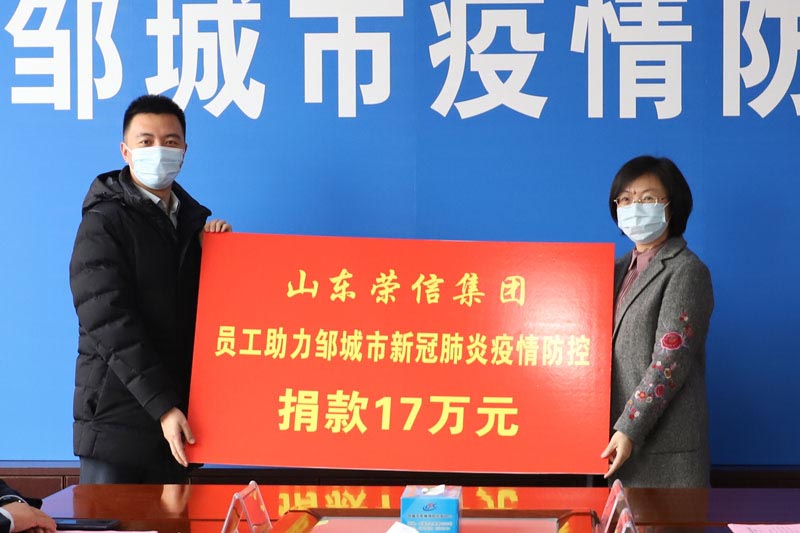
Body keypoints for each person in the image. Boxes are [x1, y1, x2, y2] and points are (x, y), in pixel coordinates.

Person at [69, 94, 232, 483]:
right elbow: (109, 323)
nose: (159, 150)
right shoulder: (103, 223)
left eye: (170, 141)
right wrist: (163, 406)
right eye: (146, 141)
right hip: (117, 428)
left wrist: (221, 260)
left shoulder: (192, 225)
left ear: (184, 151)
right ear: (125, 151)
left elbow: (213, 323)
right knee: (111, 517)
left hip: (181, 428)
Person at [601, 155, 714, 487]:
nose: (634, 207)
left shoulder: (686, 271)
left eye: (648, 198)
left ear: (672, 205)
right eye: (625, 199)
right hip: (612, 444)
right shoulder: (613, 270)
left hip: (663, 454)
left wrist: (628, 428)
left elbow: (669, 362)